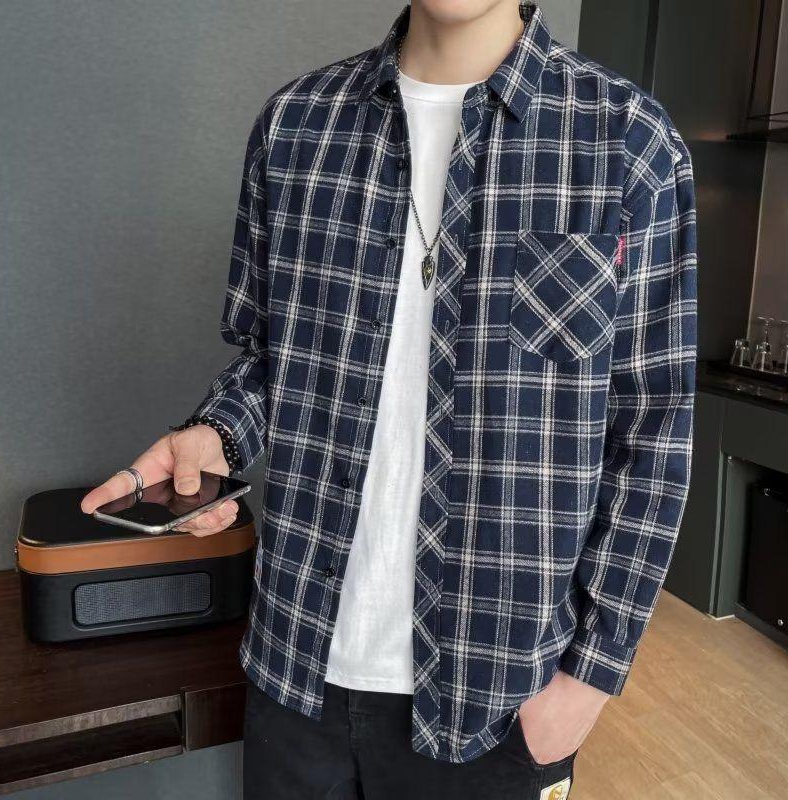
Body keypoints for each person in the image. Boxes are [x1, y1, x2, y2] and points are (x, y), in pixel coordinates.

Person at [81, 2, 697, 797]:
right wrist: (216, 435)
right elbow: (272, 360)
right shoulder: (295, 126)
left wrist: (587, 682)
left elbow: (654, 431)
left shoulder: (628, 142)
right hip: (294, 672)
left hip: (500, 707)